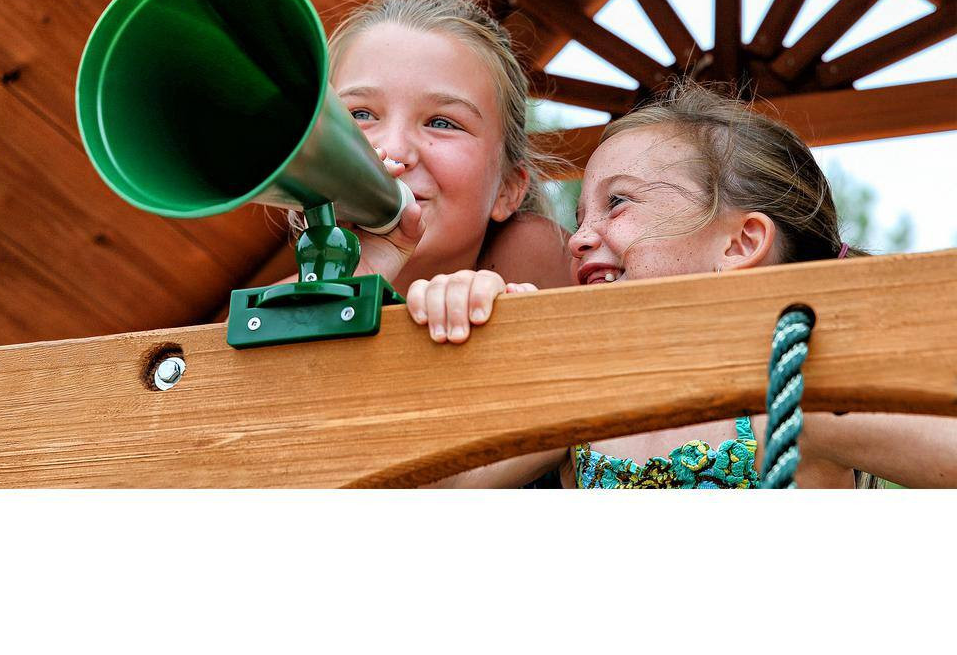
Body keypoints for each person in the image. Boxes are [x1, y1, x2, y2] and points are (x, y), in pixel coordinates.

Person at [406, 79, 957, 488]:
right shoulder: (583, 405)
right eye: (579, 218)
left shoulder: (792, 394)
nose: (577, 239)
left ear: (739, 244)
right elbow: (426, 492)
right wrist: (493, 346)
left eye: (617, 203)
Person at [273, 0, 573, 324]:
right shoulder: (280, 308)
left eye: (442, 123)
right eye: (360, 115)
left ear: (507, 189)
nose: (393, 149)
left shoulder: (535, 252)